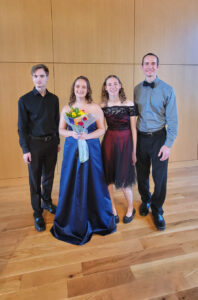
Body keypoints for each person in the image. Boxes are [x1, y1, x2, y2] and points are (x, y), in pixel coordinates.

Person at [51, 76, 116, 245]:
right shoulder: (67, 108)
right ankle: (72, 216)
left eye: (84, 87)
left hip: (91, 147)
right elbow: (60, 130)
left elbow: (102, 129)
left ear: (88, 90)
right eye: (78, 86)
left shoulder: (94, 108)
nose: (80, 89)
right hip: (72, 148)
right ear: (74, 88)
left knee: (93, 180)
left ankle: (96, 217)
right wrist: (71, 133)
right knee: (71, 180)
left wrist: (87, 135)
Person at [134, 53, 178, 230]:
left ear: (157, 67)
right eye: (146, 63)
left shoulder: (168, 90)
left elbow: (173, 121)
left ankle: (157, 208)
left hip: (159, 138)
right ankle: (145, 200)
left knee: (160, 178)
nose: (150, 66)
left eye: (153, 63)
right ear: (142, 66)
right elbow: (133, 117)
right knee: (141, 175)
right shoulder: (137, 89)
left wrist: (168, 144)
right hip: (141, 137)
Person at [18, 64, 60, 232]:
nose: (38, 79)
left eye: (42, 76)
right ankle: (37, 212)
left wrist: (57, 141)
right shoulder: (24, 100)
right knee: (35, 181)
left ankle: (47, 202)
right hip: (34, 145)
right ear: (33, 78)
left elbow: (57, 122)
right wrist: (25, 149)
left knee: (48, 177)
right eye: (35, 76)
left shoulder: (54, 99)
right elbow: (22, 128)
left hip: (51, 144)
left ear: (47, 77)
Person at [101, 75, 137, 224]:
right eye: (109, 84)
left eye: (116, 83)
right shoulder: (102, 106)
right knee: (108, 179)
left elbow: (134, 129)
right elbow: (101, 128)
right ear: (105, 87)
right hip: (109, 141)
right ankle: (113, 209)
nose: (113, 86)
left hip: (126, 141)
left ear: (120, 85)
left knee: (124, 180)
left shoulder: (129, 104)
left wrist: (134, 151)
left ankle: (130, 208)